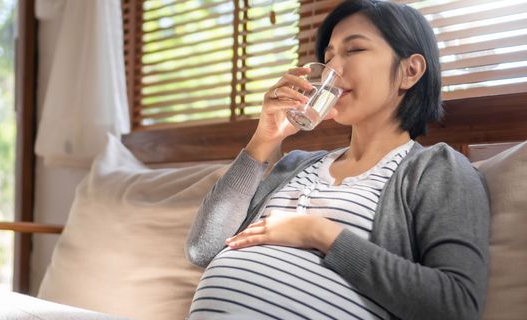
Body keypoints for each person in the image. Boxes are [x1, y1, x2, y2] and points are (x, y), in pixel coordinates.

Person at [185, 0, 490, 319]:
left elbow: (456, 306)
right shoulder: (295, 165)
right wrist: (266, 138)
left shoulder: (438, 168)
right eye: (328, 56)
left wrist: (320, 233)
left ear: (409, 71)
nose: (332, 68)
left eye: (354, 50)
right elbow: (203, 249)